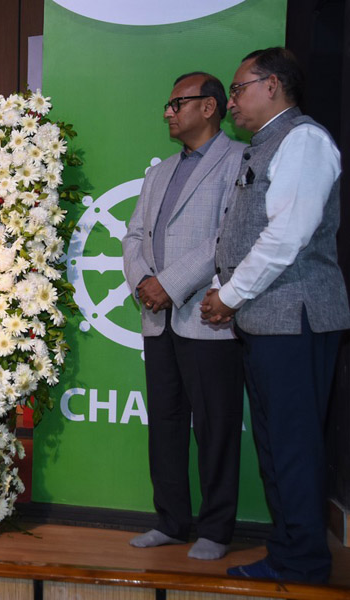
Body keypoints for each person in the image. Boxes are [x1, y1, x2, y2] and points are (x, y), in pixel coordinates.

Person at [201, 47, 350, 583]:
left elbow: (287, 235)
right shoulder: (265, 144)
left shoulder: (304, 140)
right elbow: (242, 233)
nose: (231, 101)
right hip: (269, 321)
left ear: (273, 85)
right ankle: (288, 552)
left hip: (296, 317)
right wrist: (224, 290)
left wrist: (230, 295)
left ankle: (304, 562)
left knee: (293, 445)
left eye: (239, 89)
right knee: (274, 444)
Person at [122, 72, 245, 560]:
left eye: (177, 104)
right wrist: (143, 282)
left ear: (209, 106)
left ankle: (216, 529)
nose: (168, 112)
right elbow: (133, 235)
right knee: (166, 423)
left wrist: (169, 285)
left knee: (215, 427)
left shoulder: (239, 160)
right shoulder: (160, 171)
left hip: (207, 318)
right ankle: (171, 522)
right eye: (169, 105)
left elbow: (228, 236)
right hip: (159, 319)